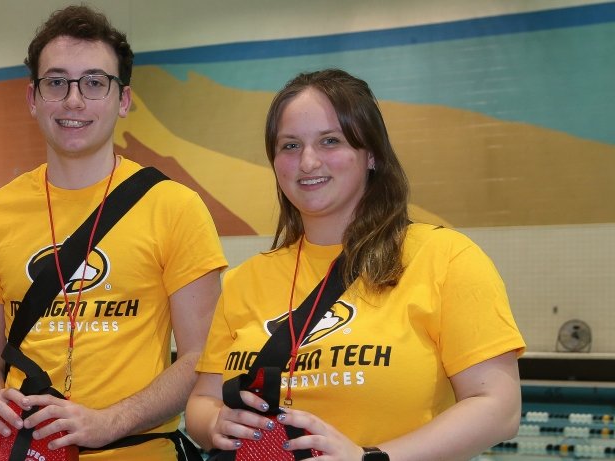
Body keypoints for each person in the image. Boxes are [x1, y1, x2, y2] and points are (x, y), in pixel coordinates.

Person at [185, 69, 525, 460]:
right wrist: (214, 424)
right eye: (290, 146)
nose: (308, 162)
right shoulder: (246, 279)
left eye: (331, 141)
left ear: (372, 155)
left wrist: (371, 458)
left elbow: (498, 408)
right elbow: (202, 402)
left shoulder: (444, 258)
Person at [0, 5, 227, 460]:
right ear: (33, 98)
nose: (74, 100)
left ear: (123, 100)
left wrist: (106, 422)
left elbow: (202, 357)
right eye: (56, 82)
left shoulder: (175, 207)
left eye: (95, 83)